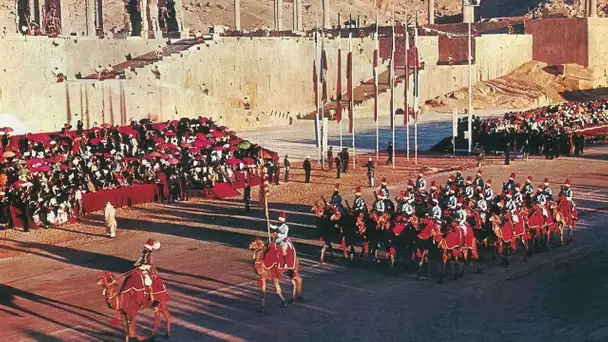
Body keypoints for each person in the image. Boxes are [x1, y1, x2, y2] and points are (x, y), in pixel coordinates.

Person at [133, 238, 161, 304]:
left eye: (145, 247)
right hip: (141, 269)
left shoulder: (150, 255)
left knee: (148, 282)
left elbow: (150, 264)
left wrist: (141, 266)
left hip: (147, 270)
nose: (144, 248)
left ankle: (152, 299)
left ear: (148, 248)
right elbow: (142, 262)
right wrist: (138, 264)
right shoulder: (145, 255)